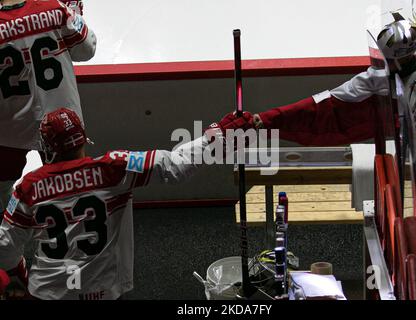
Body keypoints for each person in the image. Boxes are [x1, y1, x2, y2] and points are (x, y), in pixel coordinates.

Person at [253, 13, 416, 291]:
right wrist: (272, 118)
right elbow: (330, 102)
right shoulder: (382, 77)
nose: (376, 64)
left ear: (398, 58)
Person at [0, 107, 253, 300]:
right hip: (102, 292)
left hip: (47, 292)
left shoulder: (28, 188)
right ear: (82, 139)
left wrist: (19, 277)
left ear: (46, 149)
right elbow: (176, 166)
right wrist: (216, 135)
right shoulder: (114, 168)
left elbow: (5, 249)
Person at [0, 0, 96, 212]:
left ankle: (9, 231)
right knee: (72, 187)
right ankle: (66, 231)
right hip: (61, 120)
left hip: (7, 126)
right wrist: (72, 12)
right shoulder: (54, 8)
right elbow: (87, 50)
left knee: (1, 188)